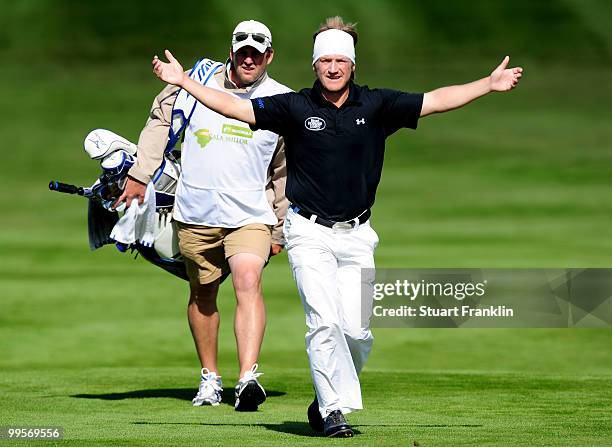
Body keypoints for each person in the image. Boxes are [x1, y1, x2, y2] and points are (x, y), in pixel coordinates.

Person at [151, 15, 523, 436]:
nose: (332, 68)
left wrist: (487, 85)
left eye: (339, 61)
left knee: (358, 332)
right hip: (307, 232)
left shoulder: (376, 105)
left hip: (358, 234)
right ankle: (331, 411)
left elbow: (435, 100)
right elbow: (235, 106)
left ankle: (326, 397)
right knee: (323, 321)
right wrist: (185, 83)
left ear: (352, 65)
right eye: (324, 60)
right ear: (315, 65)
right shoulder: (295, 107)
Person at [114, 20, 292, 411]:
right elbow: (160, 121)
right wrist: (140, 174)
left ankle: (247, 378)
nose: (249, 58)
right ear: (231, 51)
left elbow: (282, 169)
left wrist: (279, 225)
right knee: (203, 293)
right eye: (242, 50)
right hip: (196, 210)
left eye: (257, 52)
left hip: (251, 214)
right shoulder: (197, 78)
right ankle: (210, 378)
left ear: (269, 56)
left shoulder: (282, 99)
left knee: (249, 280)